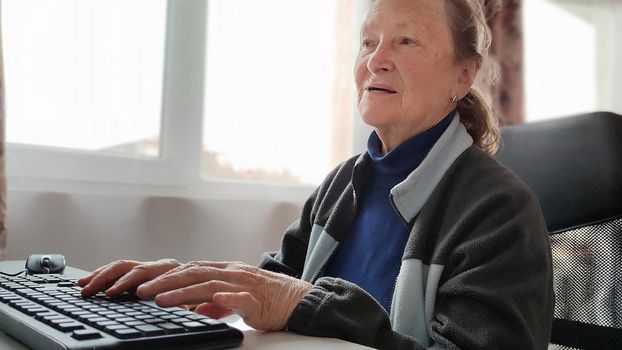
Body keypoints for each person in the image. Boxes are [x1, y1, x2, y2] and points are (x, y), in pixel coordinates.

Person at [78, 0, 554, 348]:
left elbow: (297, 301)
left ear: (463, 75)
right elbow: (277, 286)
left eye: (406, 40)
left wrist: (306, 305)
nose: (375, 59)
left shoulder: (501, 210)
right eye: (368, 42)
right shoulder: (342, 184)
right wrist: (192, 285)